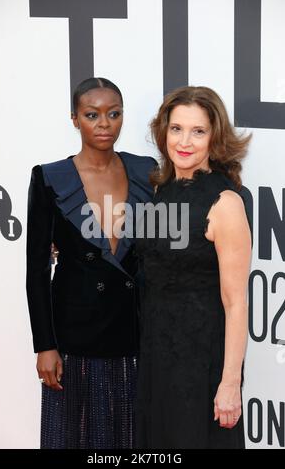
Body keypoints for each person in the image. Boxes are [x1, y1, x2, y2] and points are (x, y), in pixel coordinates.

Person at [26, 77, 156, 449]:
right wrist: (44, 345)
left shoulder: (146, 171)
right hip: (74, 338)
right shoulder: (50, 178)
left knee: (131, 440)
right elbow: (36, 271)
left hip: (132, 335)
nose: (104, 123)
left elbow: (159, 245)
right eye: (92, 114)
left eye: (113, 114)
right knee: (71, 438)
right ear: (74, 119)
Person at [135, 86, 252, 449]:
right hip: (157, 359)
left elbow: (236, 303)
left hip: (202, 367)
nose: (184, 141)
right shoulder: (161, 191)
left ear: (214, 137)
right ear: (163, 132)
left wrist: (230, 383)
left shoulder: (225, 203)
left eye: (198, 131)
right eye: (176, 129)